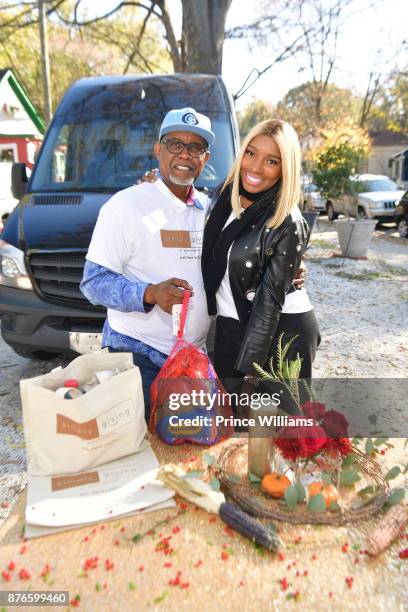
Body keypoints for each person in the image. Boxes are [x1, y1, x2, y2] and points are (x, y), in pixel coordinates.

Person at [80, 108, 216, 419]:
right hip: (137, 357)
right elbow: (92, 283)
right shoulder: (124, 206)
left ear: (205, 158)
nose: (185, 154)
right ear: (158, 149)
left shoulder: (209, 211)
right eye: (175, 144)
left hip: (192, 360)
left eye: (195, 147)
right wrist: (149, 293)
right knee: (139, 456)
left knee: (184, 458)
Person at [201, 118, 320, 404]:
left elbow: (268, 306)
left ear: (284, 169)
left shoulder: (287, 220)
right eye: (251, 153)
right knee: (232, 429)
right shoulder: (223, 195)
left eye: (271, 161)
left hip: (281, 332)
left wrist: (251, 380)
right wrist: (154, 184)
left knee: (276, 432)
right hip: (234, 324)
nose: (254, 168)